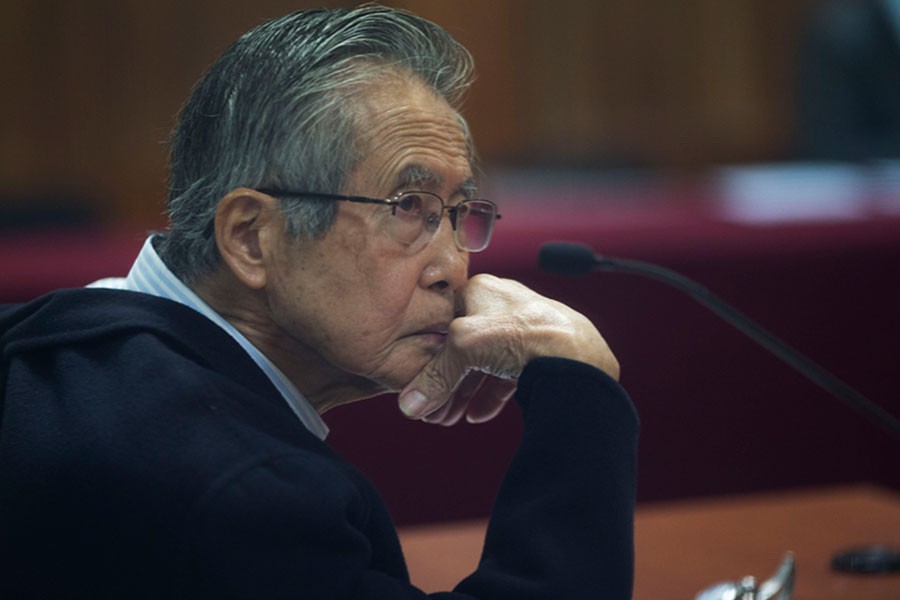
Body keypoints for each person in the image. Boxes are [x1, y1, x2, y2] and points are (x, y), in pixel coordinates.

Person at [0, 5, 638, 598]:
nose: (452, 267)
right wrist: (581, 390)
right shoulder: (235, 492)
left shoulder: (57, 345)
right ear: (251, 238)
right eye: (408, 207)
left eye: (457, 213)